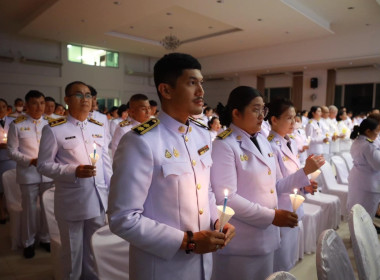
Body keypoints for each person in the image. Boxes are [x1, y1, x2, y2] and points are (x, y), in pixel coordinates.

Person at [108, 53, 235, 280]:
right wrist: (188, 241)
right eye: (191, 83)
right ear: (166, 90)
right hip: (162, 267)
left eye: (201, 83)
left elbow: (204, 190)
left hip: (202, 263)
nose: (201, 92)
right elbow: (122, 218)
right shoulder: (140, 141)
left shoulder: (202, 134)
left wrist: (217, 221)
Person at [210, 86, 323, 280]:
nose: (262, 115)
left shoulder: (262, 140)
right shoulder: (224, 145)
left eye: (264, 109)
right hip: (242, 242)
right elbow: (227, 199)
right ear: (236, 112)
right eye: (255, 109)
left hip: (268, 236)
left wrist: (304, 174)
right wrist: (271, 216)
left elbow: (276, 185)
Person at [37, 81, 112, 279]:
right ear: (67, 100)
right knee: (72, 253)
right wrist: (73, 170)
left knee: (93, 250)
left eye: (88, 95)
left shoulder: (98, 127)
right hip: (73, 202)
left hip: (98, 199)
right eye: (79, 95)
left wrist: (112, 193)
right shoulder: (54, 129)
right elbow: (43, 165)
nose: (85, 99)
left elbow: (106, 164)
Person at [266, 99, 324, 272]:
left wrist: (305, 185)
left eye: (295, 118)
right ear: (274, 120)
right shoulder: (270, 146)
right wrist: (305, 171)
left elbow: (292, 175)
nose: (294, 122)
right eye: (289, 118)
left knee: (288, 259)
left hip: (294, 206)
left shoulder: (288, 141)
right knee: (280, 264)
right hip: (281, 211)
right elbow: (276, 186)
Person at [8, 90, 53, 258]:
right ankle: (28, 242)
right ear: (27, 105)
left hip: (48, 174)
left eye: (42, 103)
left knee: (47, 208)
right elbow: (12, 151)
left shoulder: (50, 123)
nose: (39, 107)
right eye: (34, 103)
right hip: (29, 174)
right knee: (30, 210)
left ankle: (46, 238)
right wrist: (30, 160)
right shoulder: (17, 124)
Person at [347, 116, 380, 224]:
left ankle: (355, 237)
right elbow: (378, 165)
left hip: (357, 181)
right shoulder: (369, 146)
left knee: (355, 212)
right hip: (369, 184)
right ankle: (361, 240)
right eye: (377, 131)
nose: (378, 134)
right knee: (366, 217)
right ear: (368, 131)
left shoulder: (357, 141)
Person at [0, 99, 16, 224]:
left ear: (7, 109)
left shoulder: (13, 122)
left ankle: (9, 208)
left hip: (11, 158)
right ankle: (2, 212)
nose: (1, 109)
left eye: (4, 106)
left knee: (10, 186)